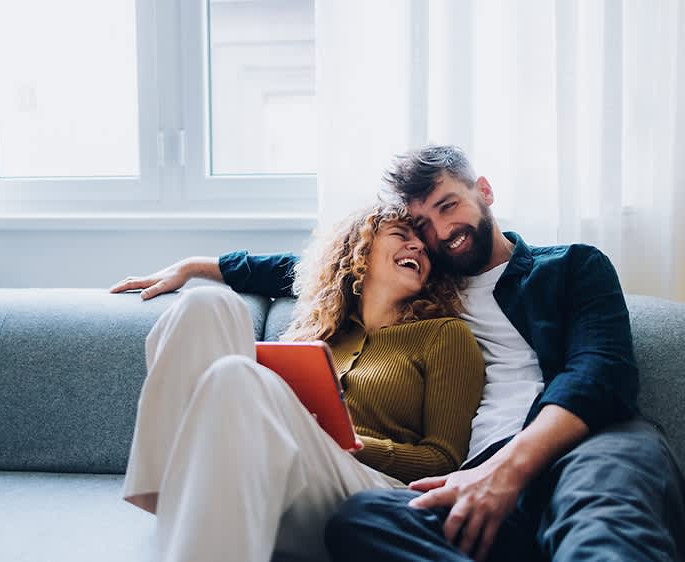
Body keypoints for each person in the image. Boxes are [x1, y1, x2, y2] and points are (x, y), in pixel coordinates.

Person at [124, 145, 685, 562]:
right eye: (420, 225)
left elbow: (600, 372)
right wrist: (201, 267)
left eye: (449, 206)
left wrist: (507, 470)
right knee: (362, 520)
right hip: (464, 477)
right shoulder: (428, 278)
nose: (441, 232)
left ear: (483, 192)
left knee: (603, 512)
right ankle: (167, 492)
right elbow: (322, 264)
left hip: (578, 441)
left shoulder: (570, 266)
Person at [111, 202, 485, 562]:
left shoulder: (444, 335)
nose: (418, 245)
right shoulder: (313, 336)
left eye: (423, 245)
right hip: (282, 478)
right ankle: (167, 492)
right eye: (401, 234)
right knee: (207, 304)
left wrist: (349, 444)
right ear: (358, 251)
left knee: (236, 376)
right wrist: (193, 267)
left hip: (371, 494)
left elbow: (443, 461)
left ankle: (185, 500)